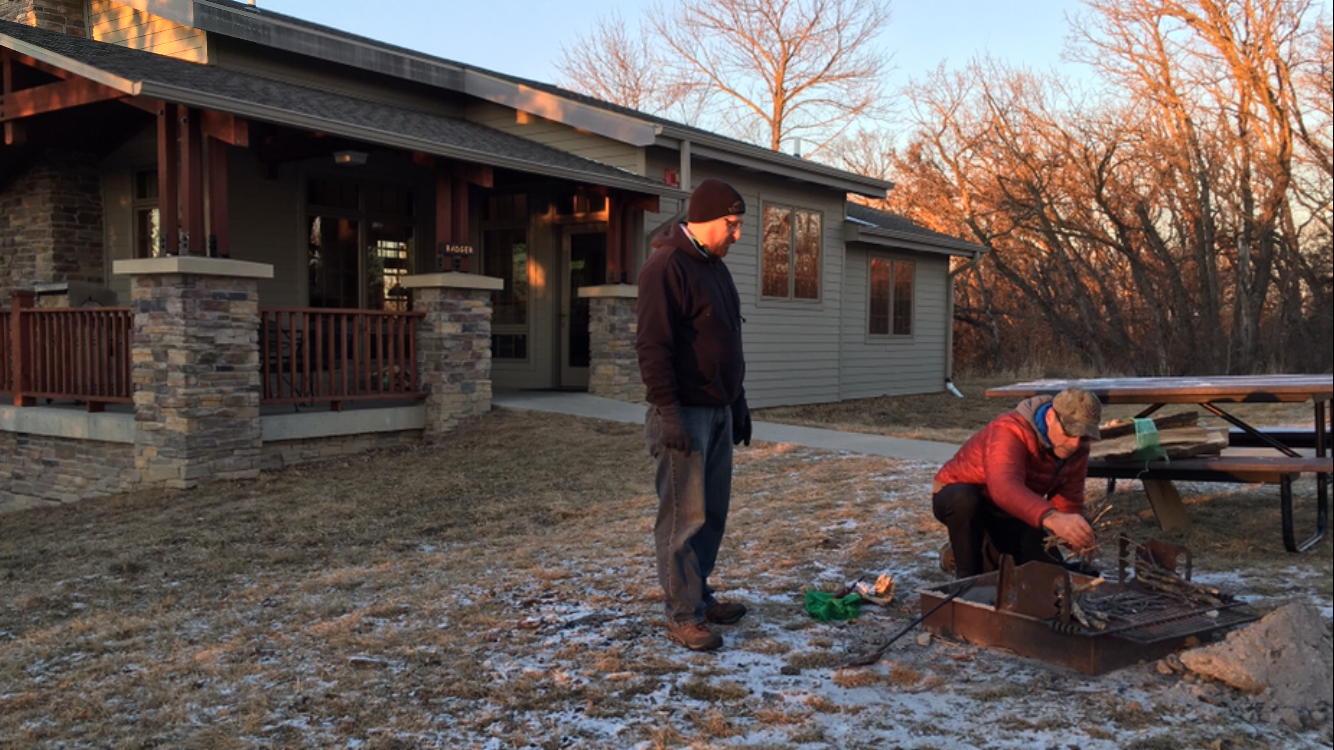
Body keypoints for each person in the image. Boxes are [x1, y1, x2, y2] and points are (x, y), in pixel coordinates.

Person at [636, 178, 752, 652]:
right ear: (705, 220)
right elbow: (652, 347)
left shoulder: (714, 267)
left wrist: (737, 401)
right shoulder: (665, 266)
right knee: (684, 516)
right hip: (683, 412)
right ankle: (681, 613)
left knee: (713, 512)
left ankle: (698, 595)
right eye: (733, 224)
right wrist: (669, 415)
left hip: (719, 408)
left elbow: (726, 338)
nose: (737, 235)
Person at [931, 386, 1102, 579]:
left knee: (1051, 571)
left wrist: (1076, 536)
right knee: (966, 502)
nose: (1075, 443)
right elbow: (1004, 487)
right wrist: (1052, 518)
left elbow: (1068, 503)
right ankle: (966, 579)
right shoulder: (1009, 429)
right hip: (960, 496)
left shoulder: (1079, 450)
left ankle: (971, 550)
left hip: (1010, 510)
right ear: (1050, 418)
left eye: (1084, 437)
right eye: (1069, 433)